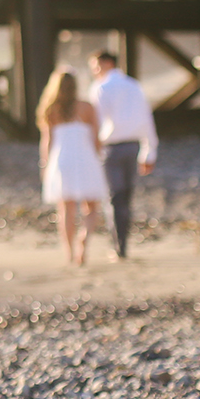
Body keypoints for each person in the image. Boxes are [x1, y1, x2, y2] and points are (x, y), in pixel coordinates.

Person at [89, 50, 159, 260]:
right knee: (126, 198)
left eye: (96, 66)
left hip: (110, 149)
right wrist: (150, 151)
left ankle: (119, 246)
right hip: (133, 147)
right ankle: (122, 244)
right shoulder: (134, 85)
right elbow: (146, 119)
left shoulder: (100, 88)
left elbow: (96, 123)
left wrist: (91, 151)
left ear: (107, 63)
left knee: (115, 197)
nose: (94, 72)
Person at [37, 67, 110, 267]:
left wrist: (45, 165)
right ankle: (83, 241)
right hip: (86, 159)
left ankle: (69, 252)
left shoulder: (51, 109)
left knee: (66, 209)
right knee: (91, 206)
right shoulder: (87, 107)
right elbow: (97, 139)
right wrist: (99, 158)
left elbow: (47, 142)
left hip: (62, 161)